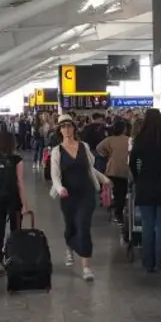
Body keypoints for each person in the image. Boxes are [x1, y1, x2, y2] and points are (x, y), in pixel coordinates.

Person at [50, 114, 109, 281]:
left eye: (69, 126)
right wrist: (60, 188)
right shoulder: (57, 151)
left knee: (83, 227)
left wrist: (105, 179)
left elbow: (91, 169)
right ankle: (70, 247)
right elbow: (55, 175)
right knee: (71, 226)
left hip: (86, 193)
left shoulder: (84, 146)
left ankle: (86, 268)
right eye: (63, 127)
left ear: (74, 128)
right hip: (68, 195)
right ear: (59, 130)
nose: (67, 130)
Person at [129, 108, 161, 273]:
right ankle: (160, 261)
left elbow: (132, 162)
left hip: (144, 186)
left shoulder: (140, 139)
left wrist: (137, 178)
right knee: (160, 226)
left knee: (147, 225)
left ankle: (147, 262)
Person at [0, 131, 29, 276]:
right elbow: (20, 182)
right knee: (15, 229)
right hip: (13, 199)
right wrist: (25, 204)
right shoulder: (17, 160)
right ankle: (13, 257)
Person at [96, 118, 130, 224]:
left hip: (112, 169)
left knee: (115, 191)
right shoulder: (129, 139)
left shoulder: (109, 139)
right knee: (122, 192)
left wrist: (107, 154)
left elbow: (98, 148)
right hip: (125, 169)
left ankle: (114, 209)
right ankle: (118, 213)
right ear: (124, 129)